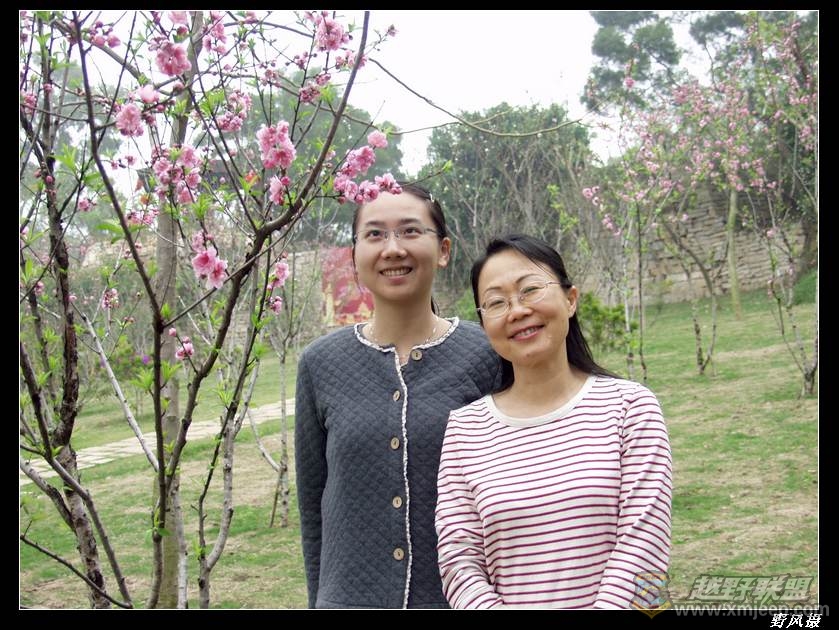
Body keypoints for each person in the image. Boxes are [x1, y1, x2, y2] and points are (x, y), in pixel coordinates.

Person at [435, 234, 672, 609]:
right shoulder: (465, 430)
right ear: (484, 324)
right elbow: (458, 561)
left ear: (570, 299)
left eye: (530, 290)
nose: (516, 311)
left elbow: (647, 548)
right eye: (496, 302)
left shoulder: (630, 407)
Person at [294, 183, 503, 608]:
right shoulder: (320, 364)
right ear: (354, 255)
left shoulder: (488, 353)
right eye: (374, 234)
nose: (392, 249)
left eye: (410, 231)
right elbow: (313, 510)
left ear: (443, 250)